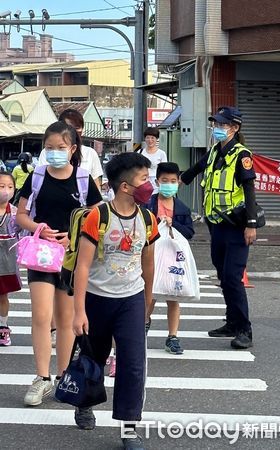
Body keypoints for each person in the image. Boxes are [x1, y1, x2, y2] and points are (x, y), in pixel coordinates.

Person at [72, 152, 159, 450]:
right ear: (125, 186)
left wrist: (148, 301)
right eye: (145, 179)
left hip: (131, 300)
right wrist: (78, 311)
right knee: (92, 360)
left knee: (133, 364)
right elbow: (82, 266)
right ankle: (84, 403)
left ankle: (129, 427)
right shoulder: (98, 216)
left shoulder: (148, 218)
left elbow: (148, 263)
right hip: (97, 300)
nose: (151, 185)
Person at [16, 121, 102, 407]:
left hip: (71, 258)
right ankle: (42, 378)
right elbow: (21, 215)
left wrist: (72, 236)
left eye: (60, 148)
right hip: (40, 254)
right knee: (41, 316)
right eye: (49, 148)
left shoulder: (83, 178)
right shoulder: (37, 176)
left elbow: (96, 215)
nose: (54, 153)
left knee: (66, 321)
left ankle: (65, 376)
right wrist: (38, 227)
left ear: (73, 149)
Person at [181, 106, 257, 349]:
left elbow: (249, 190)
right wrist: (169, 181)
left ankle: (245, 329)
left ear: (234, 128)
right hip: (216, 225)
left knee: (233, 278)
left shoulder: (241, 154)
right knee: (223, 276)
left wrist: (251, 224)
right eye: (216, 124)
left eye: (222, 125)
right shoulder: (215, 151)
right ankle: (232, 323)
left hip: (237, 225)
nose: (217, 129)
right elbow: (193, 172)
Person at [146, 162, 195, 354]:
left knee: (173, 297)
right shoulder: (148, 203)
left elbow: (189, 232)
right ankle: (143, 325)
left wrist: (173, 223)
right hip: (151, 256)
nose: (168, 184)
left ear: (178, 183)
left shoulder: (181, 208)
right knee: (149, 295)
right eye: (164, 180)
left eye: (173, 181)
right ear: (157, 181)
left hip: (174, 258)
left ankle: (172, 336)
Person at [38, 108, 103, 190]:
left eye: (77, 127)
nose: (73, 131)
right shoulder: (47, 153)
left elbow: (96, 184)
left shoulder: (90, 153)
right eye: (69, 127)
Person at [0, 172, 22, 346]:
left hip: (7, 261)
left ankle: (3, 327)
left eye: (9, 187)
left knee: (2, 295)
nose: (6, 191)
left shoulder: (16, 213)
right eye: (1, 186)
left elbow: (23, 235)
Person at [140, 127, 167, 193]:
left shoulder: (161, 153)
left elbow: (165, 171)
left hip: (157, 183)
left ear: (157, 139)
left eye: (152, 138)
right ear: (145, 138)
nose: (150, 140)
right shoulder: (140, 152)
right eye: (148, 137)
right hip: (143, 182)